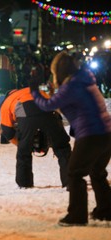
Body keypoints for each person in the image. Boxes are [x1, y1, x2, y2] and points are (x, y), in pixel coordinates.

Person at [29, 51, 111, 226]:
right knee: (97, 173)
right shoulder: (84, 80)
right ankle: (106, 211)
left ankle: (77, 216)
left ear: (59, 70)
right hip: (106, 133)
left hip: (91, 134)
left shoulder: (72, 86)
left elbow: (48, 106)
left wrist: (34, 91)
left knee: (74, 173)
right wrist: (53, 93)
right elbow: (64, 103)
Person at [0, 87, 71, 189]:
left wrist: (22, 144)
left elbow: (8, 132)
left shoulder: (6, 103)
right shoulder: (30, 90)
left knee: (23, 153)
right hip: (50, 113)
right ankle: (71, 181)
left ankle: (24, 184)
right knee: (62, 148)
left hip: (27, 116)